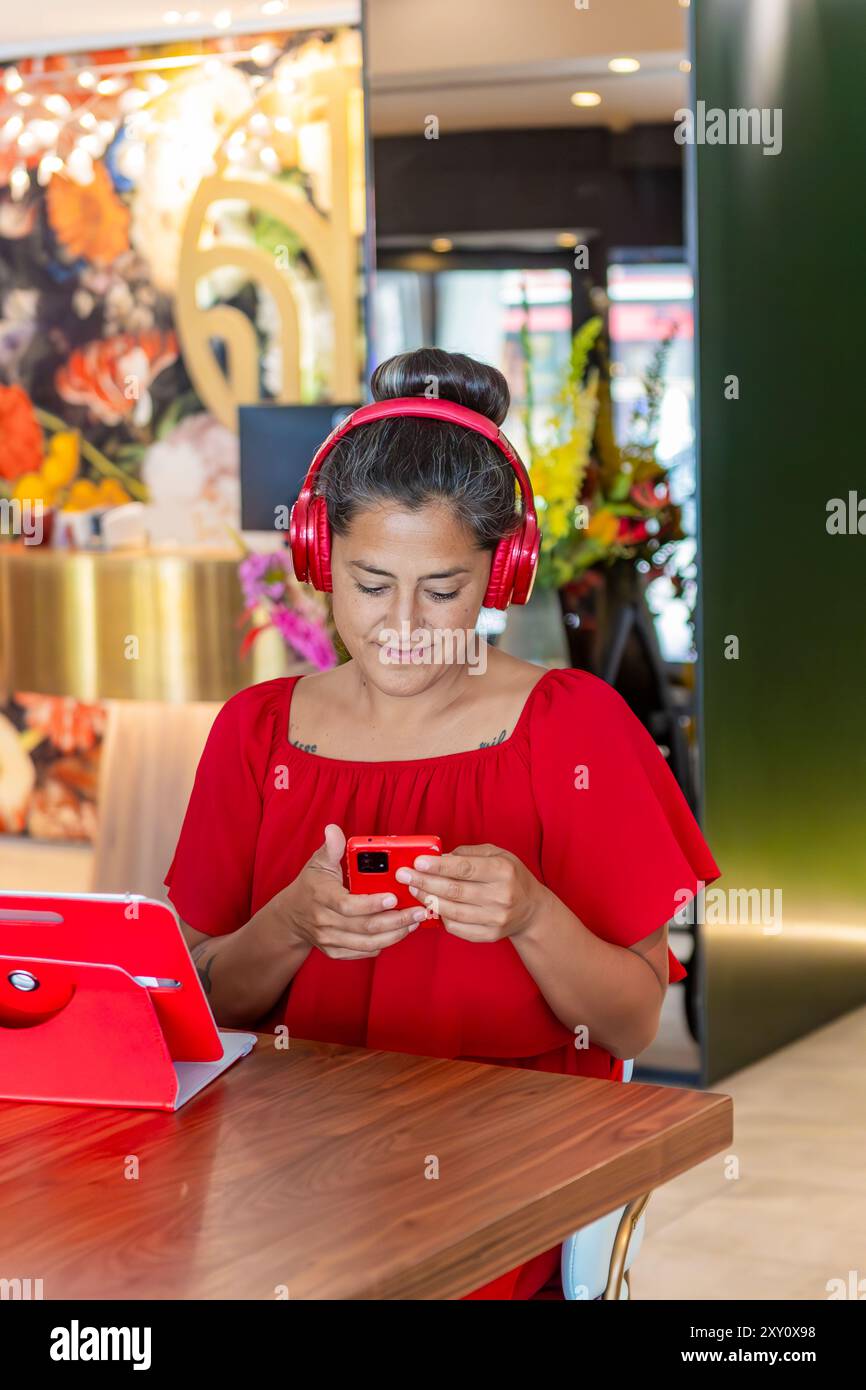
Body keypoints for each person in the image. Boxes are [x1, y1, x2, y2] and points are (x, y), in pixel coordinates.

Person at [165, 347, 720, 1300]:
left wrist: (534, 916)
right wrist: (292, 925)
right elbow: (207, 1013)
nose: (404, 626)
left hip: (501, 1178)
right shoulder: (254, 733)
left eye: (445, 589)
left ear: (500, 574)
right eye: (371, 585)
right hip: (291, 1173)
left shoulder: (571, 725)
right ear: (316, 558)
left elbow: (631, 1020)